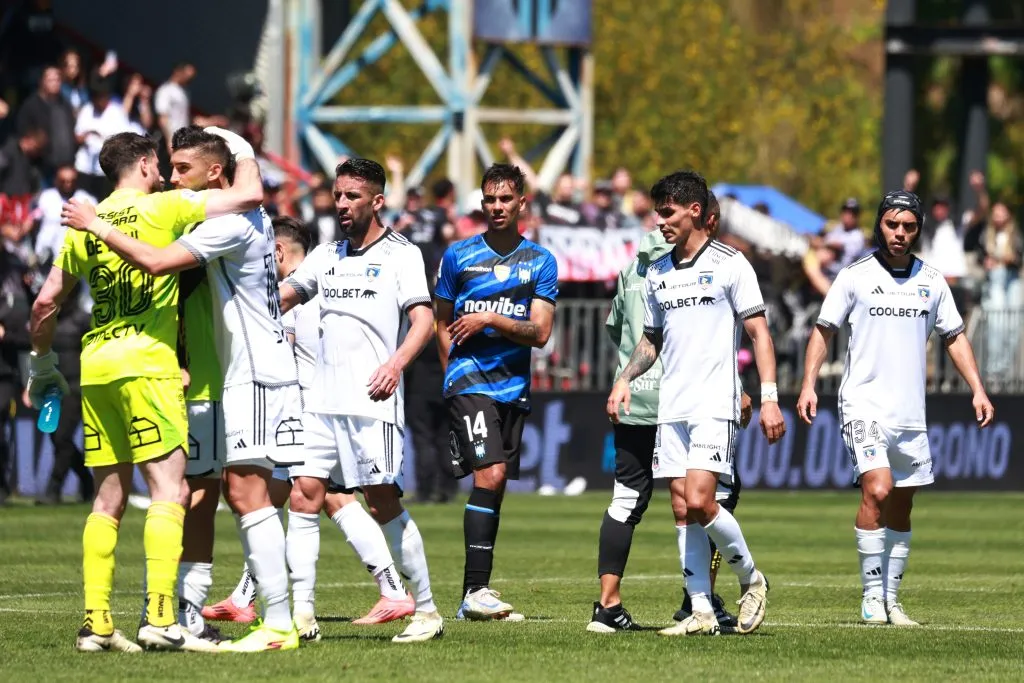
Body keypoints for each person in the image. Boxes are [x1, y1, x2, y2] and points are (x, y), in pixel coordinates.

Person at [60, 126, 303, 652]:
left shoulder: (228, 223)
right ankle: (198, 613)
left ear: (215, 174)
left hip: (248, 371)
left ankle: (277, 621)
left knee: (240, 492)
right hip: (227, 371)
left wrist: (96, 223)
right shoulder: (233, 214)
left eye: (184, 170)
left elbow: (153, 260)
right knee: (215, 491)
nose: (173, 180)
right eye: (169, 169)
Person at [797, 190, 994, 626]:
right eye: (892, 225)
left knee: (903, 505)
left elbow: (955, 337)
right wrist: (808, 383)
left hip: (910, 413)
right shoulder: (854, 276)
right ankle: (870, 597)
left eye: (908, 226)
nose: (900, 233)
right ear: (879, 226)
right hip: (863, 403)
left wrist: (977, 388)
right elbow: (823, 330)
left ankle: (891, 600)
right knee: (878, 489)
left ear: (918, 228)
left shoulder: (932, 280)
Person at [606, 170, 782, 637]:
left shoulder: (731, 263)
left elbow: (759, 333)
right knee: (683, 508)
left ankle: (753, 579)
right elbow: (651, 339)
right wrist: (624, 380)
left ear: (696, 211)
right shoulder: (659, 273)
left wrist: (768, 399)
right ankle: (701, 609)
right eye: (657, 212)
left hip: (714, 404)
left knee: (703, 501)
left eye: (667, 212)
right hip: (672, 408)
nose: (660, 221)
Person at [278, 158, 443, 643]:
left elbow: (423, 321)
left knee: (381, 501)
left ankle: (427, 611)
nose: (342, 204)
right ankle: (301, 616)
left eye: (352, 196)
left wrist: (394, 365)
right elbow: (288, 293)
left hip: (371, 399)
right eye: (338, 194)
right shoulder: (326, 255)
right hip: (320, 403)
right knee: (304, 494)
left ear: (377, 200)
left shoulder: (401, 254)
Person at [434, 163, 559, 620]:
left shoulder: (540, 262)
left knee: (497, 482)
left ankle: (475, 595)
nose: (497, 207)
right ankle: (474, 593)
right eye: (489, 200)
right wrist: (452, 376)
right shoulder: (458, 256)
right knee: (490, 475)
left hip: (512, 385)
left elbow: (540, 332)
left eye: (505, 199)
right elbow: (440, 319)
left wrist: (491, 319)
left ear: (522, 203)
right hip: (469, 380)